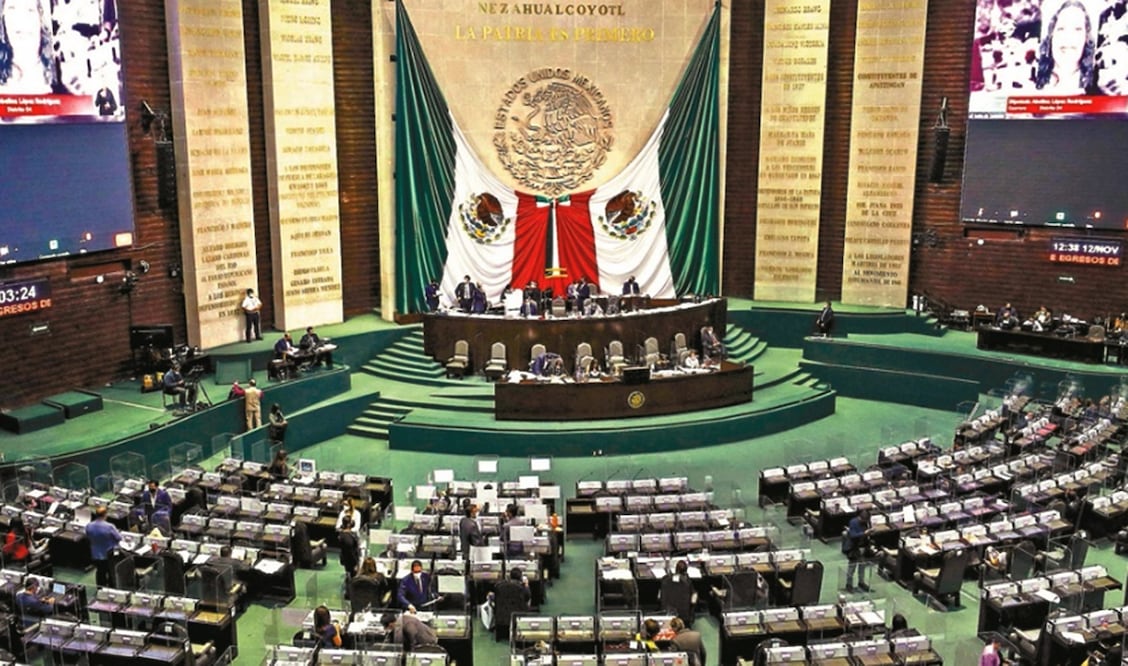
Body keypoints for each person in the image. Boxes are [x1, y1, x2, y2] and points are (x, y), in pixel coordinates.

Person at [1035, 0, 1095, 94]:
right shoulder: (1028, 79)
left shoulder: (1097, 87)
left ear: (1086, 38)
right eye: (1061, 29)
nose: (1068, 37)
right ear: (1051, 36)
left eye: (1077, 29)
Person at [0, 0, 54, 94]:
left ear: (40, 17)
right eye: (12, 9)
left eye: (30, 10)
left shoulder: (62, 72)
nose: (21, 19)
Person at [85, 506, 122, 586]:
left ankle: (100, 588)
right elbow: (119, 538)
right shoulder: (109, 526)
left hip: (96, 554)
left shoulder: (89, 526)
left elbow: (88, 536)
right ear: (105, 515)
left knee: (100, 572)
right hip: (109, 554)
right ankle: (112, 588)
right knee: (111, 572)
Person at [844, 509, 872, 593]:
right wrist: (864, 533)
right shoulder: (853, 522)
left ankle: (861, 582)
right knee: (852, 568)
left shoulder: (866, 523)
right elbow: (853, 535)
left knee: (862, 566)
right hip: (854, 548)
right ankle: (849, 584)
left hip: (863, 547)